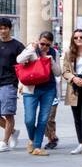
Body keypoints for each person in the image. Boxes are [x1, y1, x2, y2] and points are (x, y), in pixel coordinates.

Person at [16, 31, 59, 156]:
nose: (44, 47)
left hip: (48, 89)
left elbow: (57, 73)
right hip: (31, 88)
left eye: (47, 45)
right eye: (42, 43)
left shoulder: (53, 53)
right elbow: (19, 60)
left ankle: (37, 147)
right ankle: (32, 139)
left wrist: (50, 61)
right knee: (29, 119)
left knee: (43, 119)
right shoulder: (31, 48)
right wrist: (32, 49)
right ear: (38, 41)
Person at [0, 17, 23, 152]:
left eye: (5, 28)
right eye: (0, 28)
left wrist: (21, 83)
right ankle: (13, 132)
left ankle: (4, 142)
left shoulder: (17, 46)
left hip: (9, 83)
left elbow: (25, 66)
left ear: (10, 29)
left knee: (8, 113)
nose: (2, 31)